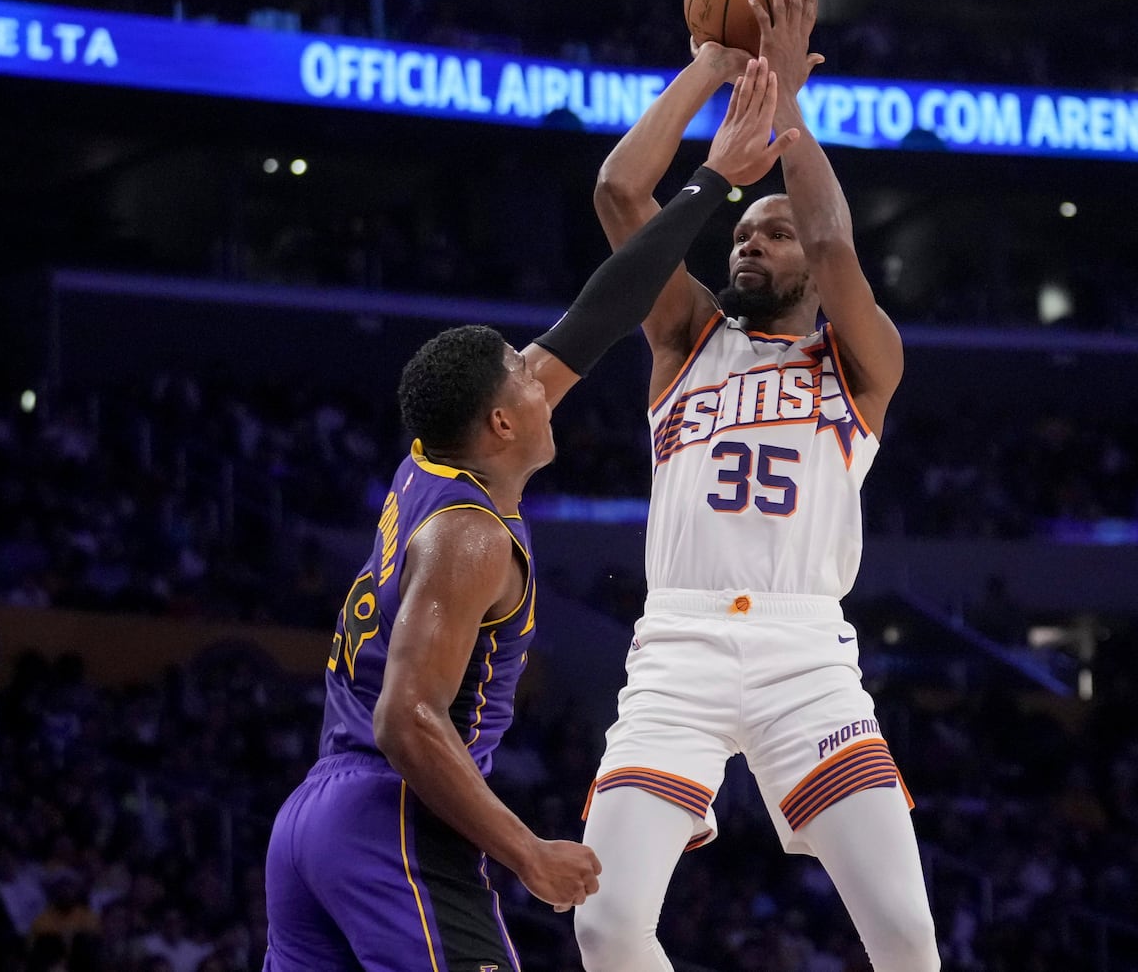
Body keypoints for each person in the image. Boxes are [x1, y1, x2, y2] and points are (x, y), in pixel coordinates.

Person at [262, 58, 799, 972]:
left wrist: (711, 145)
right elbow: (408, 718)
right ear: (504, 420)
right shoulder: (470, 534)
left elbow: (602, 307)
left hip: (312, 820)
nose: (544, 369)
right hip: (390, 820)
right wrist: (527, 854)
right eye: (523, 369)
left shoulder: (437, 459)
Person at [574, 0, 940, 971]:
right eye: (740, 231)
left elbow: (830, 234)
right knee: (605, 925)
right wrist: (707, 67)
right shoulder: (685, 334)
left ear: (814, 276)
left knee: (905, 934)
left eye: (767, 233)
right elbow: (618, 193)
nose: (750, 241)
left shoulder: (859, 362)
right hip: (678, 649)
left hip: (805, 659)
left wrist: (787, 117)